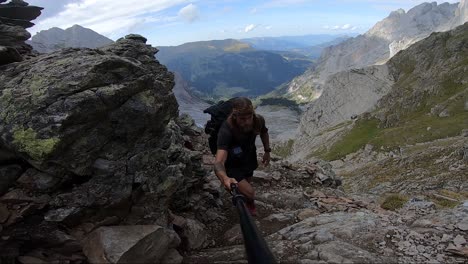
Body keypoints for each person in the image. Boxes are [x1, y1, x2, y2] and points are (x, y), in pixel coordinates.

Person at [213, 97, 271, 216]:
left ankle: (244, 201)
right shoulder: (226, 130)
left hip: (249, 158)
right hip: (232, 164)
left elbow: (264, 132)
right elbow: (219, 161)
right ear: (235, 116)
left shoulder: (258, 120)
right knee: (250, 192)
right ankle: (248, 203)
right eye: (242, 119)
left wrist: (267, 151)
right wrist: (225, 178)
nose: (247, 122)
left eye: (249, 117)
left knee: (247, 184)